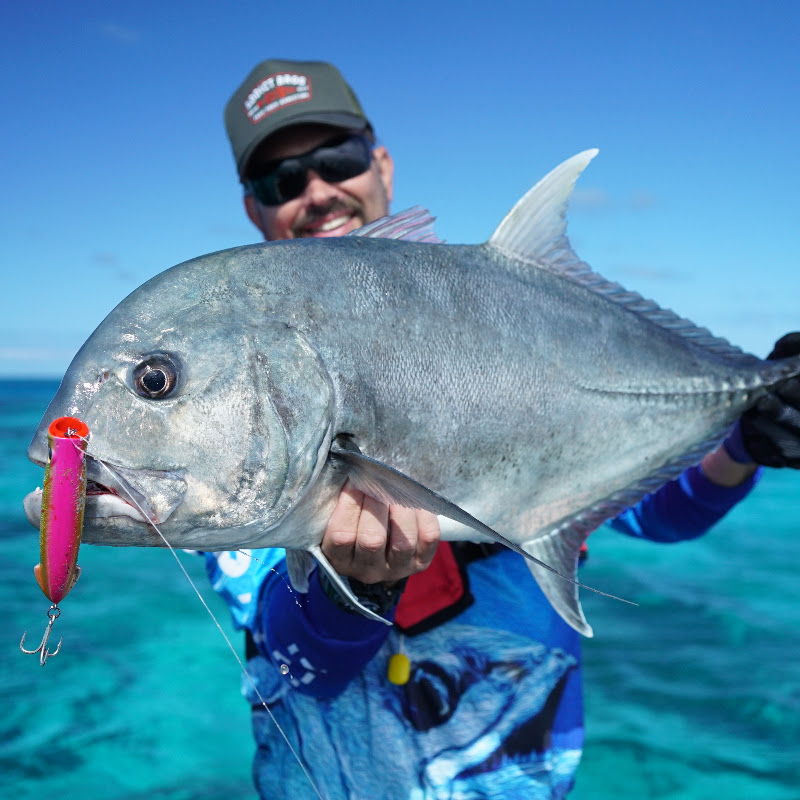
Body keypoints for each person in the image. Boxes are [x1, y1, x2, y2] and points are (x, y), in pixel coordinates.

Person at [205, 59, 800, 799]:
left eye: (337, 160)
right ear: (253, 211)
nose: (318, 191)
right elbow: (298, 664)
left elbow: (657, 515)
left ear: (380, 163)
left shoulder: (510, 329)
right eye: (280, 181)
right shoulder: (242, 420)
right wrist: (352, 586)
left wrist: (747, 439)